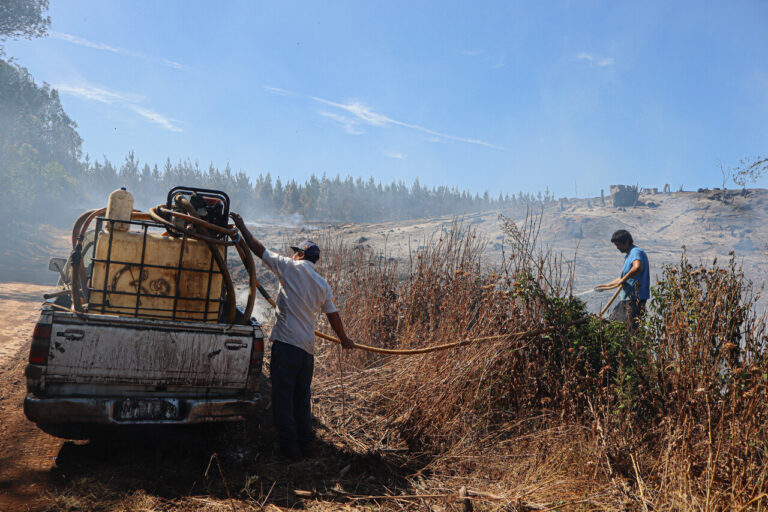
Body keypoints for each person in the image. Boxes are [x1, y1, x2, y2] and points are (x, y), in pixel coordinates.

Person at [230, 213, 355, 461]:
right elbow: (334, 316)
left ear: (300, 255)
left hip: (286, 346)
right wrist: (344, 339)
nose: (293, 255)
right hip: (306, 351)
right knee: (302, 398)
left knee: (283, 398)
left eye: (296, 252)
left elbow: (258, 249)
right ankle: (306, 444)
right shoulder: (322, 284)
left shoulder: (289, 267)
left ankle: (290, 449)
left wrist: (242, 226)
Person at [595, 229, 650, 330]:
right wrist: (607, 286)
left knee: (629, 329)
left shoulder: (636, 252)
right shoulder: (629, 255)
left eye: (618, 245)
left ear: (627, 241)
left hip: (634, 300)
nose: (617, 247)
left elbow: (637, 268)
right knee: (614, 324)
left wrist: (623, 279)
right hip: (627, 299)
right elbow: (623, 278)